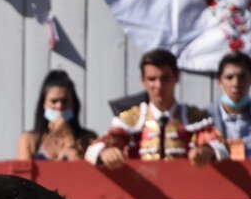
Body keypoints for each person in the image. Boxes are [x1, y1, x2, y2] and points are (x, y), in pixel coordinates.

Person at [85, 49, 228, 168]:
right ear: (143, 81)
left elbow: (220, 144)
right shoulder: (132, 118)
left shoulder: (194, 117)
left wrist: (207, 150)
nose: (158, 86)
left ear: (177, 78)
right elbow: (99, 145)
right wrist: (105, 152)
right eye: (152, 79)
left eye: (165, 78)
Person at [16, 70, 96, 161]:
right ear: (44, 104)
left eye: (64, 101)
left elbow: (84, 173)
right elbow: (24, 171)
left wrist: (68, 138)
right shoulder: (29, 140)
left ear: (73, 103)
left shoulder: (88, 138)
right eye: (54, 101)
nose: (59, 106)